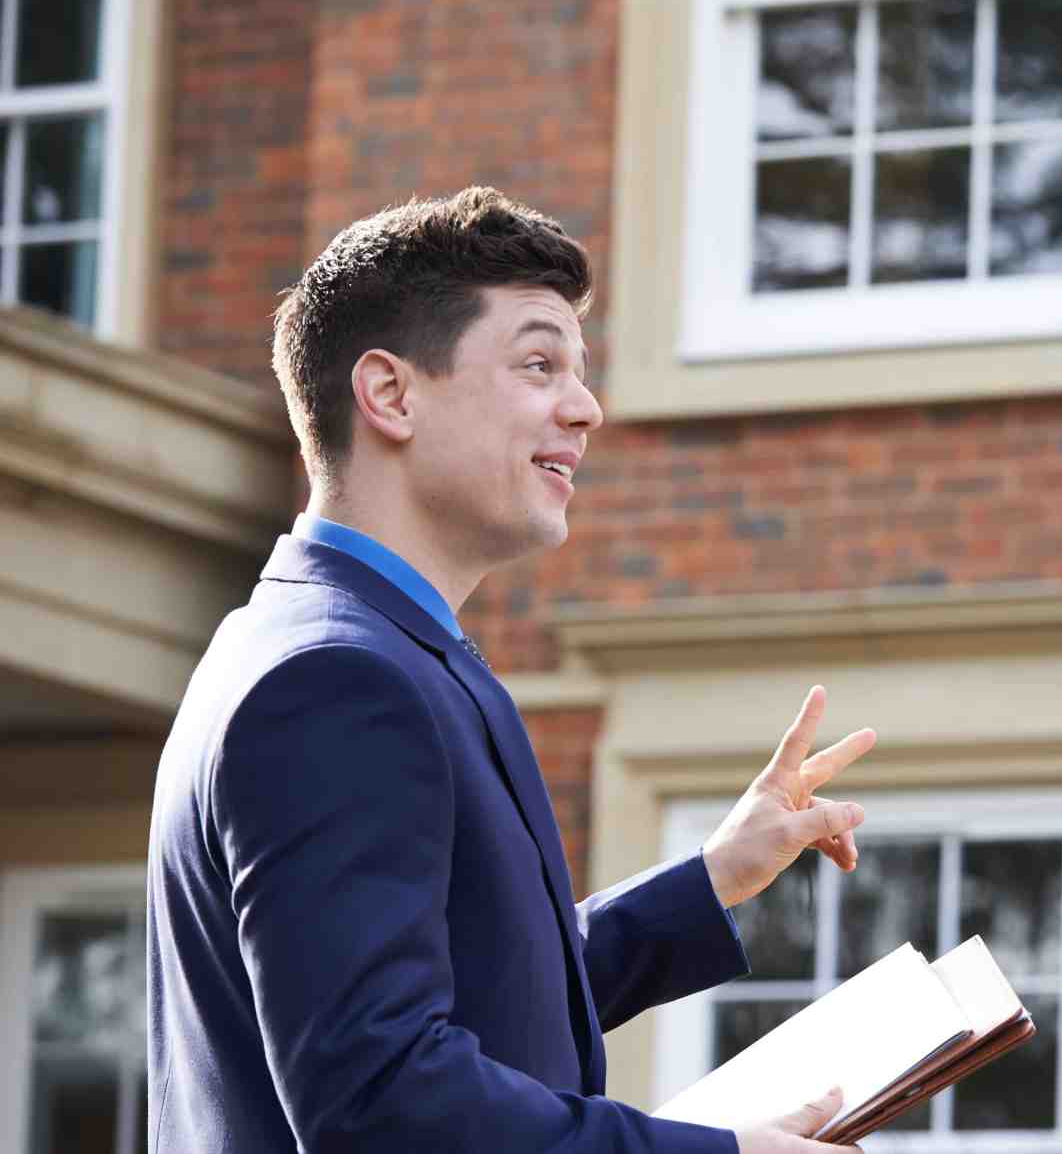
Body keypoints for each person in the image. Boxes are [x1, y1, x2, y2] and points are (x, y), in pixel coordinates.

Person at [147, 188, 870, 1153]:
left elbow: (478, 997)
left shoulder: (347, 649)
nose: (586, 407)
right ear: (391, 394)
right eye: (539, 363)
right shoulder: (334, 680)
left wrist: (712, 880)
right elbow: (382, 1096)